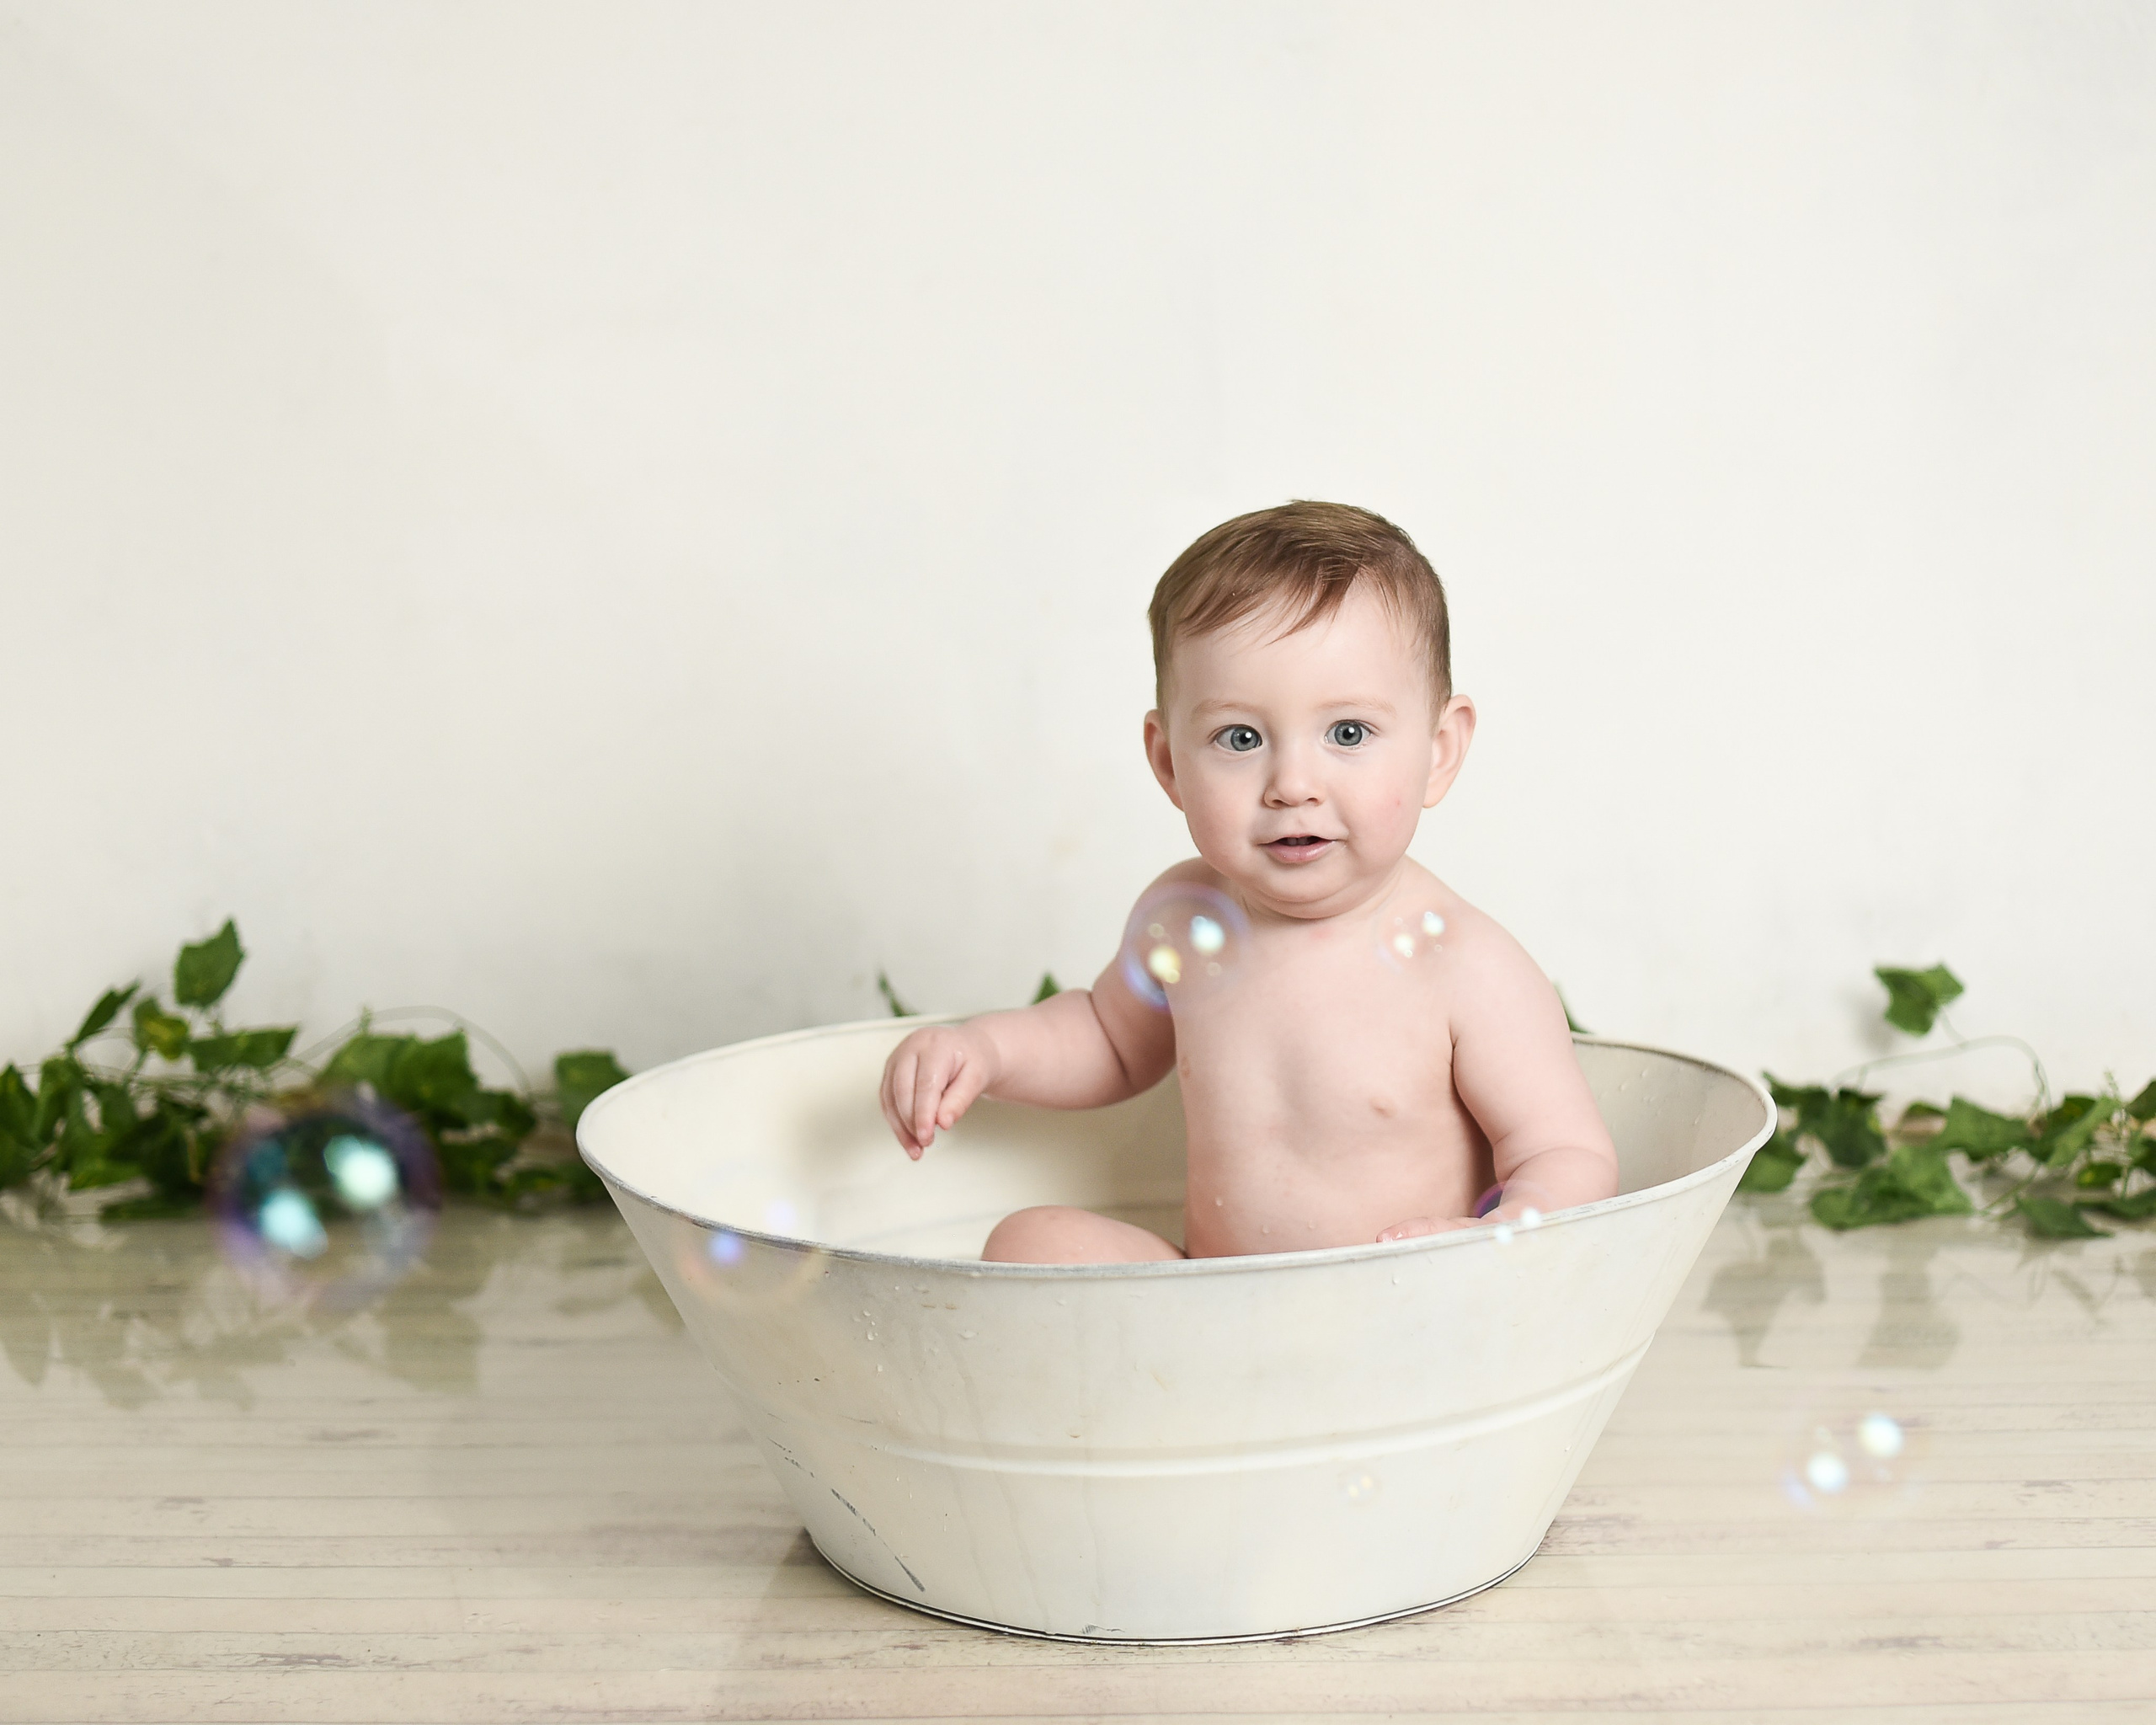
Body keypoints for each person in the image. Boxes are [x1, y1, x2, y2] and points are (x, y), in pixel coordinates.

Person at [878, 501, 1618, 1262]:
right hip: (1212, 1309)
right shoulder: (1185, 918)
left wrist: (1495, 1236)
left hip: (1400, 1313)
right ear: (1169, 763)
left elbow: (1566, 1153)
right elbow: (1107, 1039)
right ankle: (1173, 1369)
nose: (1292, 784)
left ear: (1439, 750)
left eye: (1348, 733)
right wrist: (986, 1051)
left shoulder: (1466, 965)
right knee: (1032, 1242)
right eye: (1241, 738)